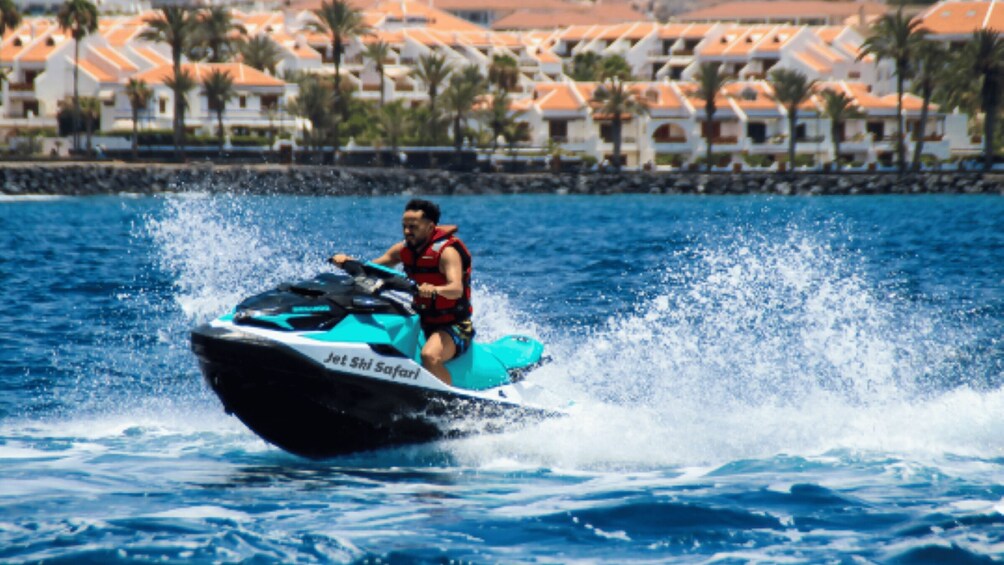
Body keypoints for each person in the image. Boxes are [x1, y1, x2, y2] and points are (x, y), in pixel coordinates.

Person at [330, 199, 474, 386]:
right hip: (420, 319)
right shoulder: (402, 250)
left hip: (455, 325)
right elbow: (372, 268)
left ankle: (452, 405)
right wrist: (348, 262)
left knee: (429, 355)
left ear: (430, 227)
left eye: (413, 227)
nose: (407, 232)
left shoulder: (447, 253)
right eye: (404, 226)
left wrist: (434, 290)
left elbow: (455, 289)